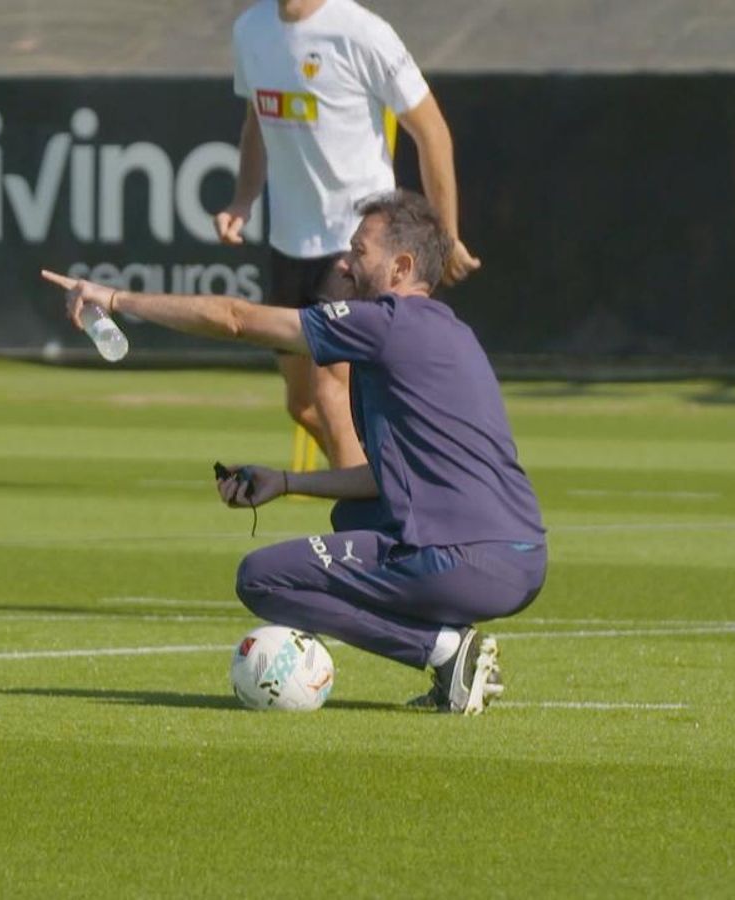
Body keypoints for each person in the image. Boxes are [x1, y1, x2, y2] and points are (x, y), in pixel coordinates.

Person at [44, 190, 541, 714]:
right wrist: (285, 481)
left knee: (263, 578)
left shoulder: (387, 323)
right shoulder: (452, 333)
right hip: (520, 559)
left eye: (359, 251)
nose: (344, 263)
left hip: (462, 562)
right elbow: (392, 479)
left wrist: (117, 300)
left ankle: (443, 651)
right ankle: (449, 651)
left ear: (401, 267)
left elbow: (234, 318)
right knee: (355, 512)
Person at [218, 0, 479, 469]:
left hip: (355, 246)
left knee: (332, 391)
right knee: (302, 405)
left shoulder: (362, 32)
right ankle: (388, 492)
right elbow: (257, 118)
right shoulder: (250, 30)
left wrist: (447, 234)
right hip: (289, 243)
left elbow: (432, 131)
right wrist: (243, 198)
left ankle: (370, 527)